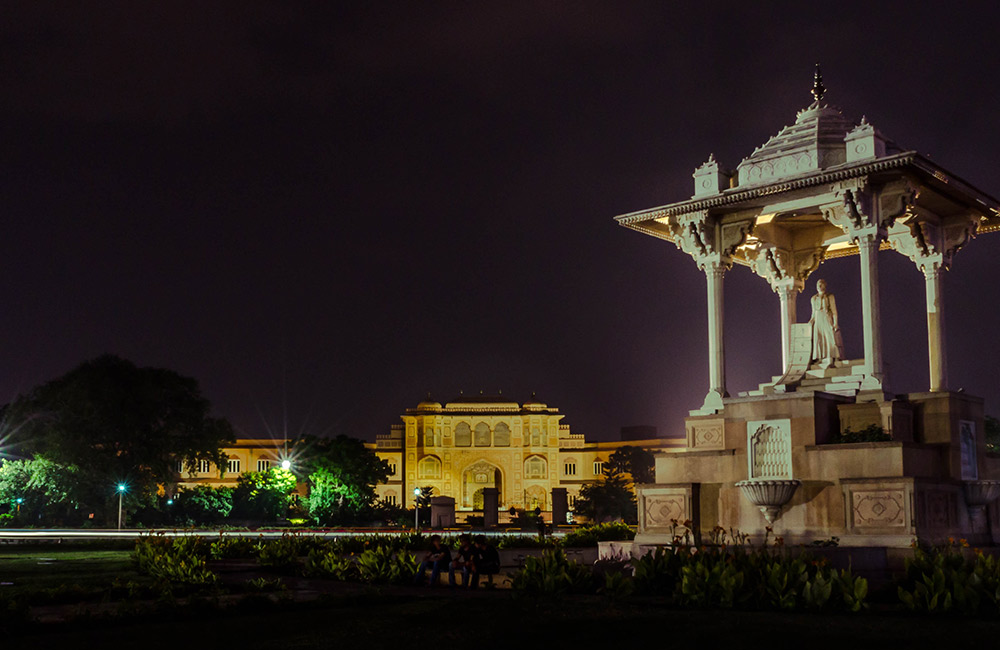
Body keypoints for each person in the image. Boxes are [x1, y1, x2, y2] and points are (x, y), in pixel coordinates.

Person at [809, 279, 843, 368]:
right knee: (818, 338)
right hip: (818, 319)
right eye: (818, 285)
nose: (819, 286)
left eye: (821, 284)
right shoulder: (813, 298)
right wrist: (810, 322)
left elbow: (834, 310)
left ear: (825, 285)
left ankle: (831, 356)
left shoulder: (830, 296)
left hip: (827, 317)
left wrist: (835, 323)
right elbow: (813, 313)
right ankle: (819, 357)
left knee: (829, 337)